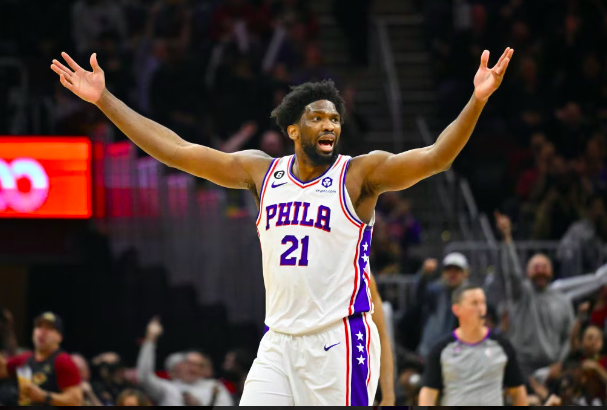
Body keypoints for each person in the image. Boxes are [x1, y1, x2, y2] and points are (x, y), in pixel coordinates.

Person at [51, 45, 514, 406]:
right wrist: (105, 100)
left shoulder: (359, 175)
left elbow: (436, 158)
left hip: (339, 340)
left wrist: (476, 100)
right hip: (279, 340)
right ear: (293, 129)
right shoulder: (260, 171)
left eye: (335, 118)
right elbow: (175, 150)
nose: (329, 124)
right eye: (317, 117)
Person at [490, 212, 576, 379]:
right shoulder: (521, 294)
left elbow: (569, 336)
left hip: (552, 368)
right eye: (535, 267)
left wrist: (560, 363)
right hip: (522, 366)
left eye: (544, 266)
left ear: (551, 271)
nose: (540, 270)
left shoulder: (563, 300)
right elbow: (513, 274)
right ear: (527, 272)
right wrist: (507, 239)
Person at [418, 285, 528, 406]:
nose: (481, 308)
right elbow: (428, 392)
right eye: (474, 303)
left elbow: (517, 391)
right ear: (457, 309)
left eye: (483, 303)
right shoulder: (442, 350)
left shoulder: (502, 346)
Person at [137, 318, 233, 406]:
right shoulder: (168, 388)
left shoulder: (214, 387)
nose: (193, 368)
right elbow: (144, 376)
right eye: (189, 364)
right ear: (179, 366)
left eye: (199, 365)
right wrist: (150, 339)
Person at [0, 312, 82, 406]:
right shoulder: (26, 358)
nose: (42, 331)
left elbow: (76, 401)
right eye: (39, 327)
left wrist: (44, 396)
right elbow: (2, 370)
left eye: (50, 328)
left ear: (60, 337)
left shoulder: (62, 360)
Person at [416, 253, 470, 358]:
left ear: (465, 273)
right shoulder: (435, 291)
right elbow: (419, 293)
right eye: (449, 270)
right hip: (430, 351)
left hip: (459, 354)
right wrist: (424, 275)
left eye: (457, 270)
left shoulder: (471, 295)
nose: (452, 274)